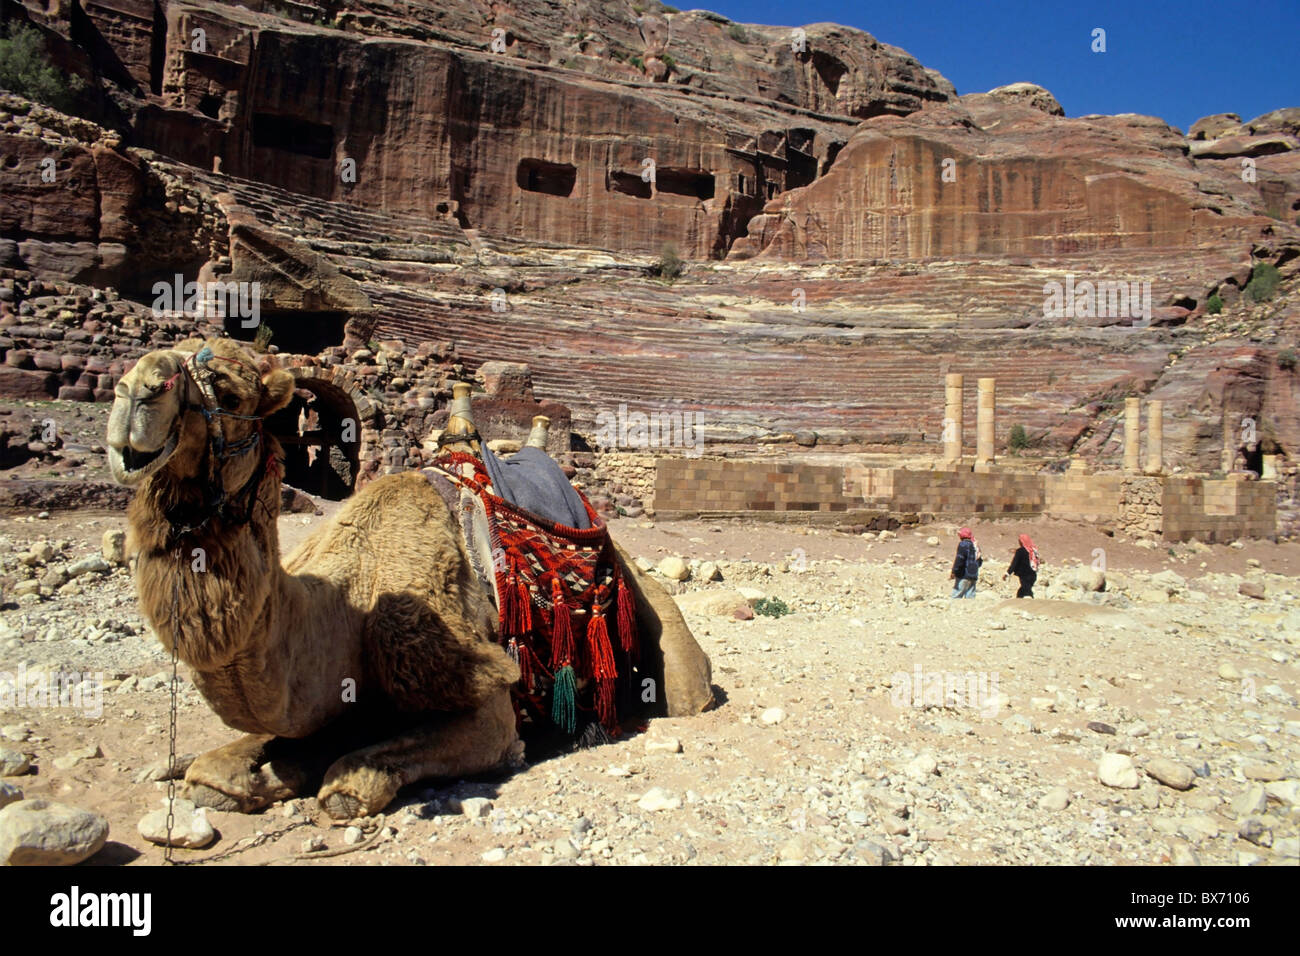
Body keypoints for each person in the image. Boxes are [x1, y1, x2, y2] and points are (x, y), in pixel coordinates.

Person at [1004, 533, 1039, 598]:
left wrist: (1008, 573)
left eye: (1019, 541)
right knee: (1022, 592)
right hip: (1033, 575)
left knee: (1027, 592)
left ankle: (1029, 605)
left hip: (1024, 575)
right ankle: (1019, 602)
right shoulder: (1034, 550)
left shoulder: (1020, 551)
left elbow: (1014, 563)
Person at [950, 526, 980, 598]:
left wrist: (954, 571)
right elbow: (979, 560)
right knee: (970, 598)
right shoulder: (975, 545)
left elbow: (959, 559)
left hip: (963, 575)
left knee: (956, 596)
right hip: (973, 575)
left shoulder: (963, 544)